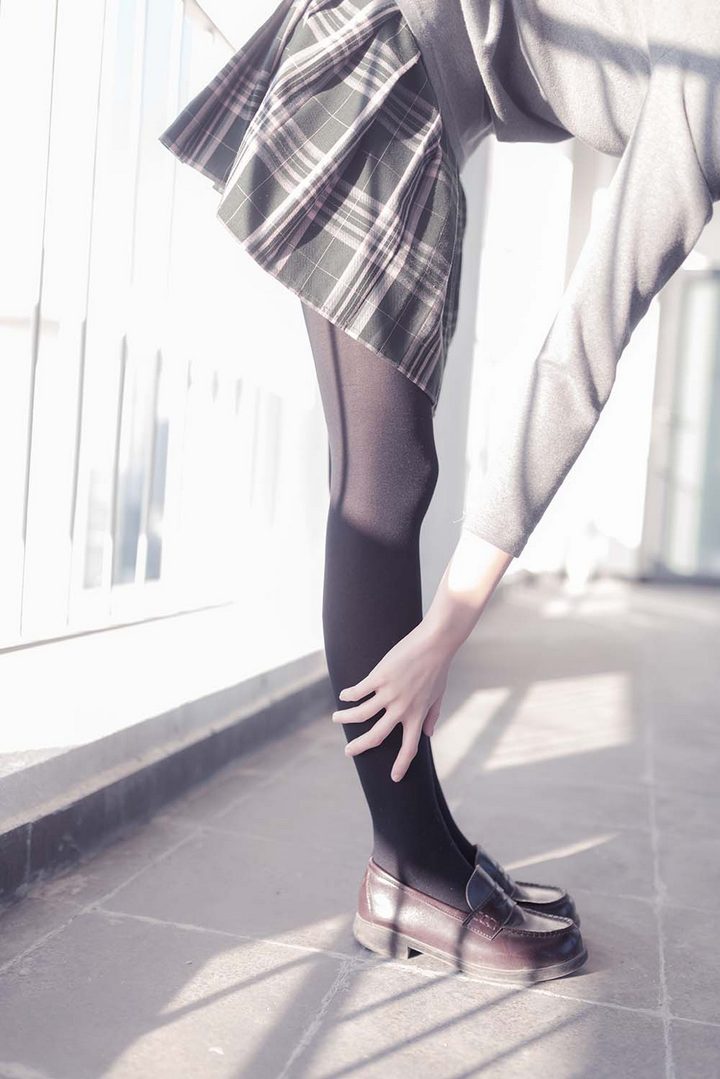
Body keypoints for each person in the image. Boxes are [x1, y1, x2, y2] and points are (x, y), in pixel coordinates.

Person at [159, 0, 719, 983]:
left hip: (400, 75)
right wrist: (448, 627)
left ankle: (428, 850)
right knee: (383, 482)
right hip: (383, 69)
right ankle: (411, 869)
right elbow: (578, 354)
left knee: (389, 474)